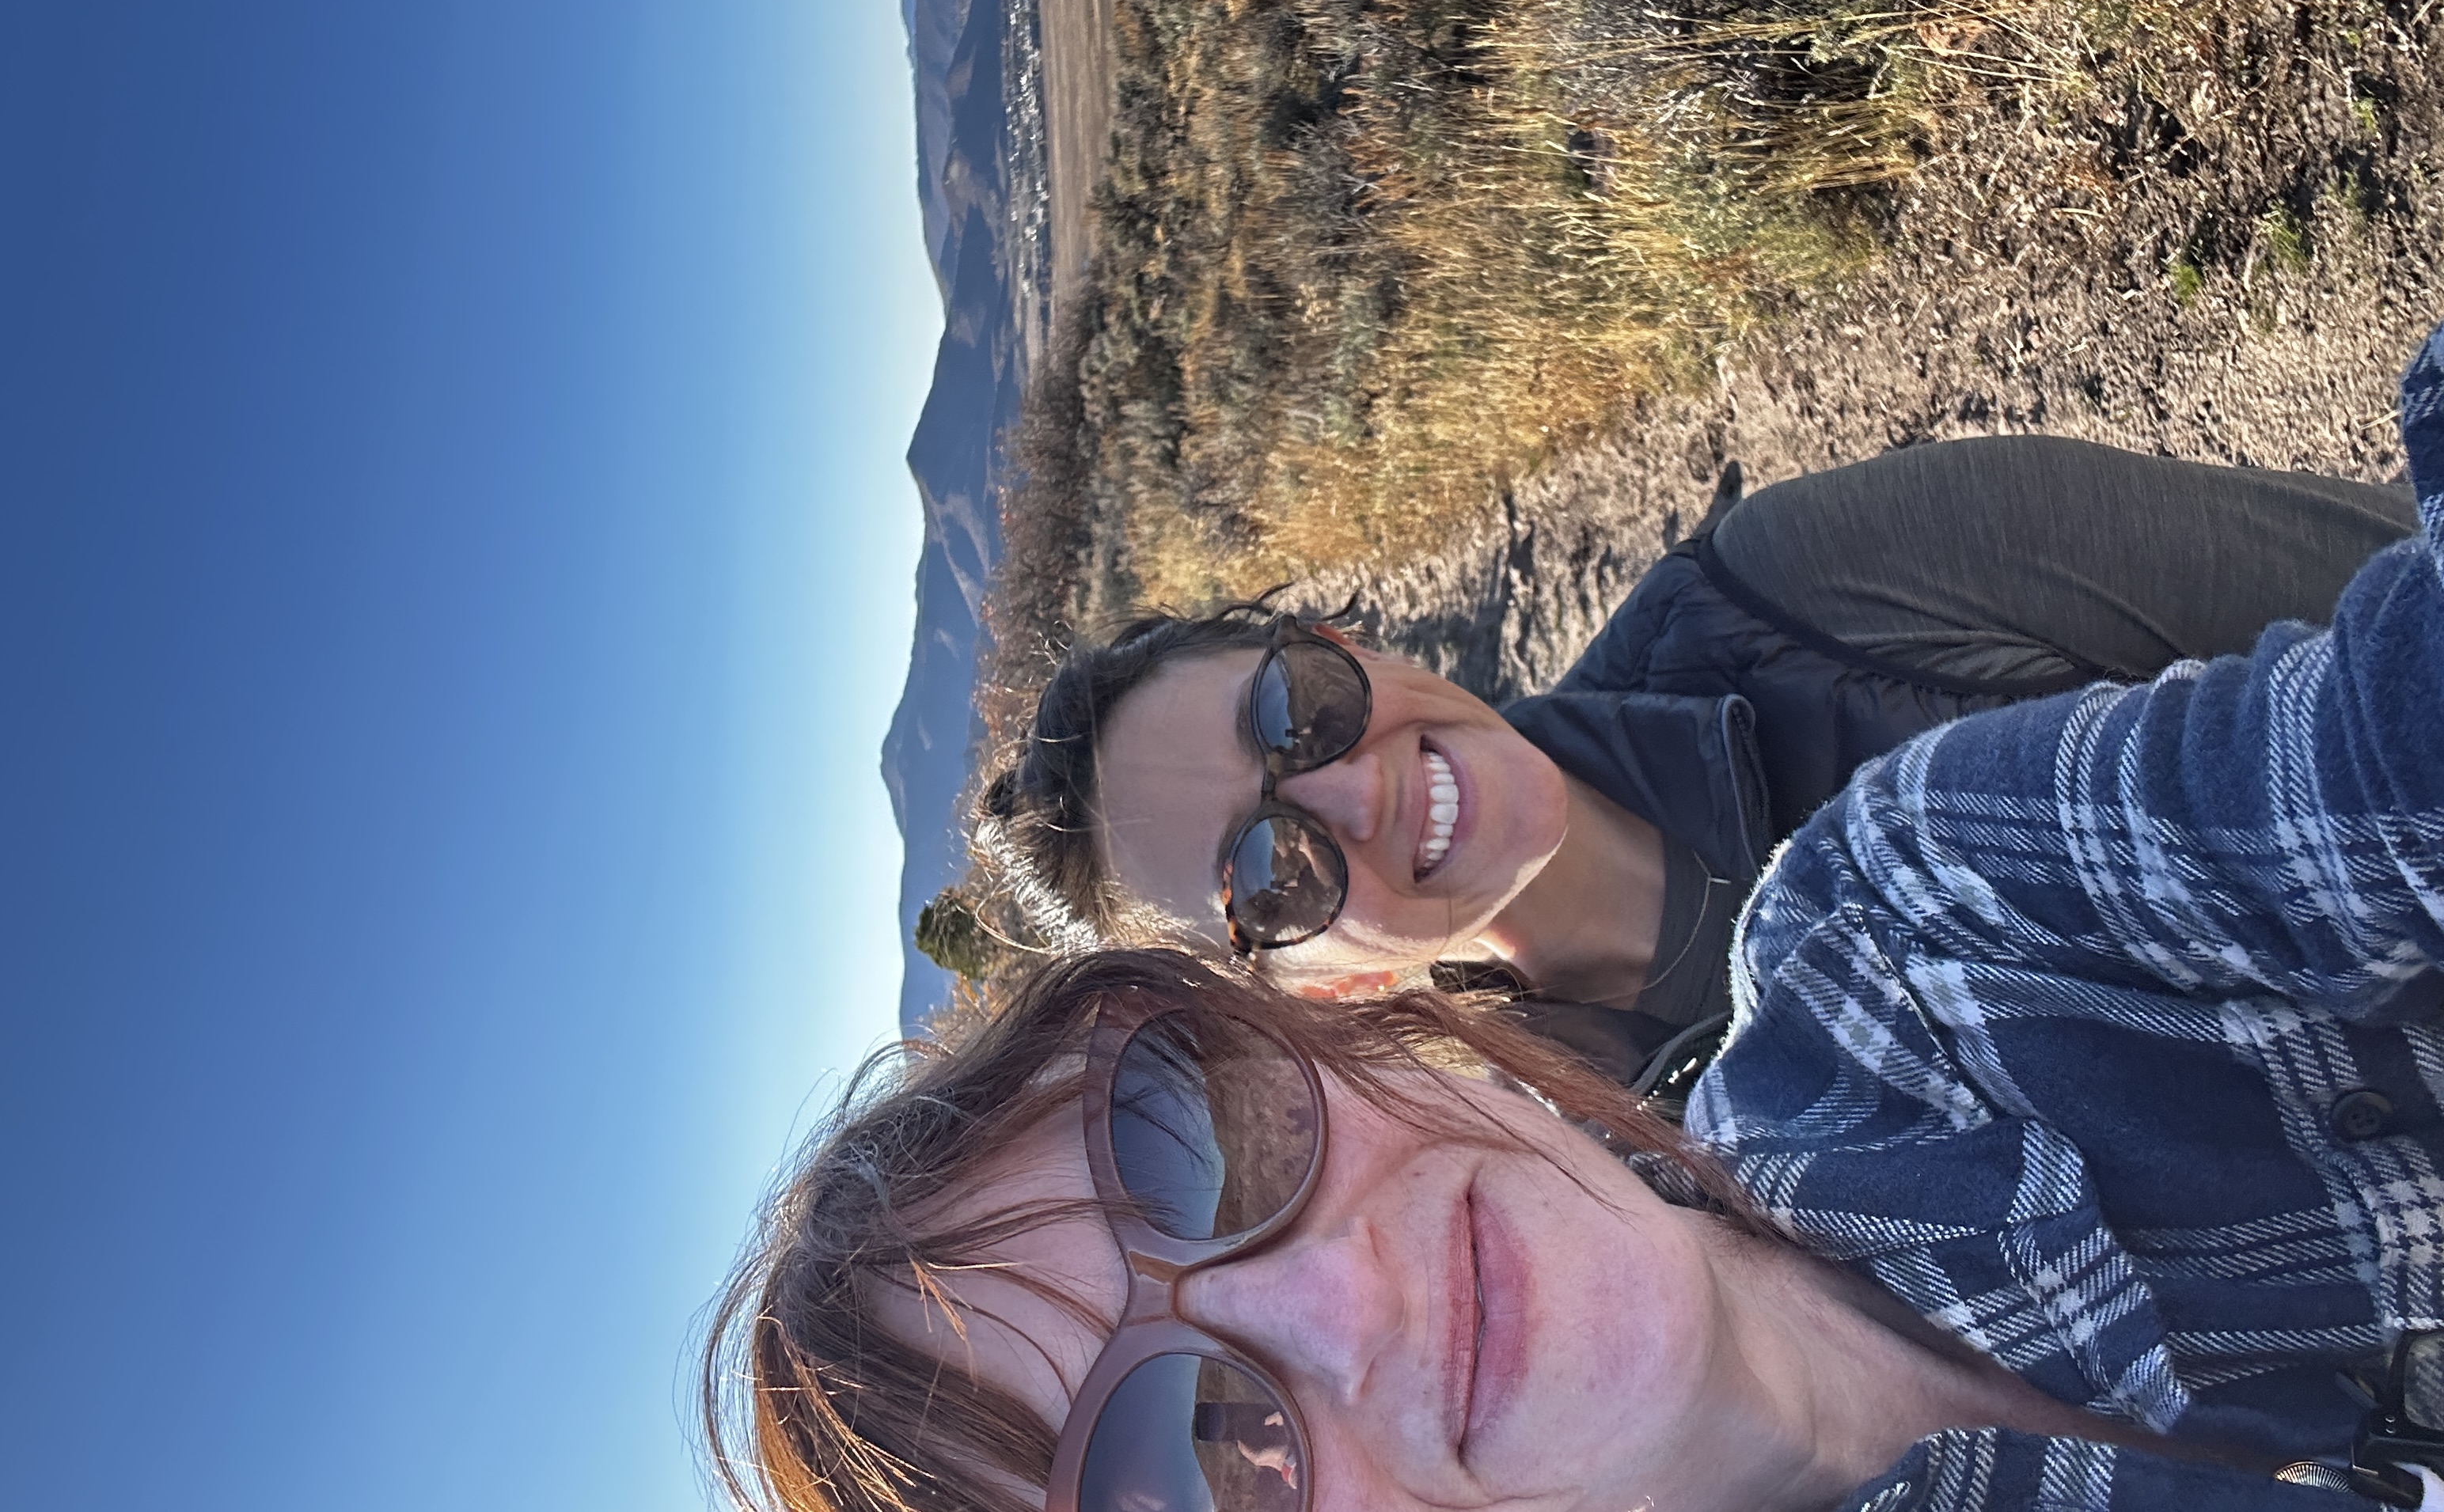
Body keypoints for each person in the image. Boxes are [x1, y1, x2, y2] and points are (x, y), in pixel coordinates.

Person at [704, 322, 2444, 1512]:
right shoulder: (1610, 1173)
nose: (1330, 1299)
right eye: (1193, 1468)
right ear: (1321, 984)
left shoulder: (1872, 816)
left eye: (1201, 1128)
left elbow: (2356, 639)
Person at [979, 437, 2415, 1095]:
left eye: (1294, 712)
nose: (1350, 790)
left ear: (1337, 639)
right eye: (1268, 874)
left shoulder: (1818, 588)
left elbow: (2390, 605)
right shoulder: (1626, 1208)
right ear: (1320, 990)